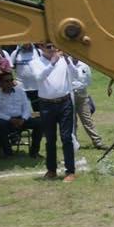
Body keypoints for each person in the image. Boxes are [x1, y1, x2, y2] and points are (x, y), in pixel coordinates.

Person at [33, 43, 79, 181]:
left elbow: (76, 75)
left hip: (64, 102)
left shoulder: (63, 60)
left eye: (54, 46)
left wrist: (67, 61)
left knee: (66, 137)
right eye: (48, 46)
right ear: (41, 48)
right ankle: (51, 170)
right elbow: (39, 78)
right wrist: (52, 64)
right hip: (46, 104)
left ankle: (70, 171)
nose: (52, 49)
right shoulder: (36, 62)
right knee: (50, 139)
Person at [0, 71, 34, 157]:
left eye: (11, 80)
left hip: (21, 119)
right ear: (1, 83)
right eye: (6, 81)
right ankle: (8, 153)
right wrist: (10, 119)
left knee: (39, 123)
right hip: (5, 120)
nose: (9, 83)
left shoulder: (20, 91)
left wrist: (23, 119)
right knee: (1, 125)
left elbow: (27, 107)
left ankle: (34, 152)